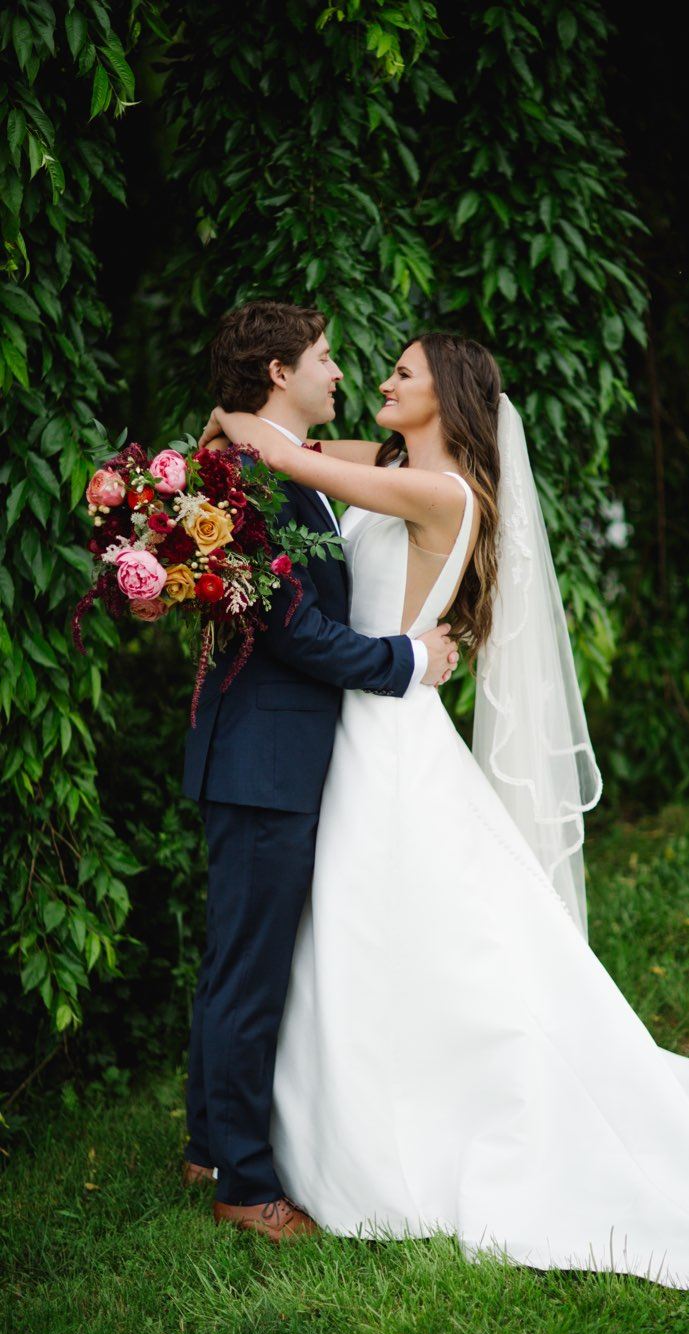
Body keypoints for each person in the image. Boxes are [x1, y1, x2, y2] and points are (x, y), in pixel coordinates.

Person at [203, 331, 689, 1287]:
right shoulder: (396, 465)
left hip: (387, 743)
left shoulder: (443, 494)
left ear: (444, 396)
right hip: (359, 737)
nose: (379, 380)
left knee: (393, 935)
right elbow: (305, 459)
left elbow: (281, 454)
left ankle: (411, 1125)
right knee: (357, 938)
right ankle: (296, 1125)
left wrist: (220, 427)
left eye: (401, 372)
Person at [182, 302, 459, 1242]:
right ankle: (244, 1182)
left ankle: (208, 1138)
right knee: (249, 973)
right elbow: (294, 630)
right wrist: (406, 663)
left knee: (236, 960)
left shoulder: (285, 471)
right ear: (277, 374)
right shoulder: (260, 486)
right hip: (266, 758)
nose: (341, 371)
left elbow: (311, 453)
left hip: (269, 754)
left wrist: (236, 430)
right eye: (326, 357)